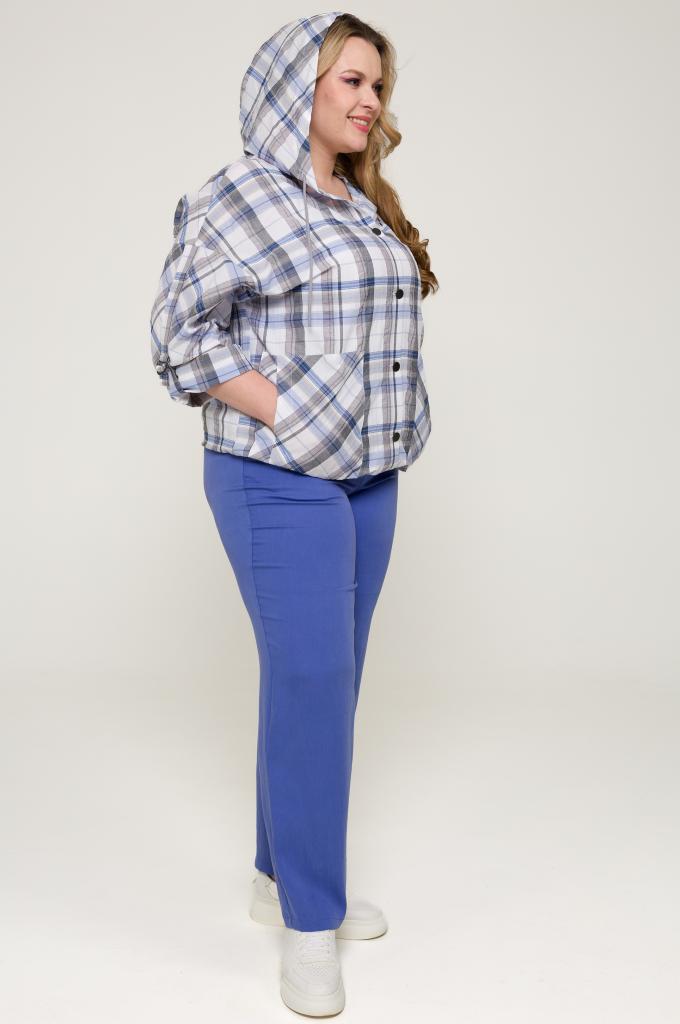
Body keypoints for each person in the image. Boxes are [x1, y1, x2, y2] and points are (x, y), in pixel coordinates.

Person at [149, 10, 437, 1017]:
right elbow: (178, 335)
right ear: (295, 86)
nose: (369, 100)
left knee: (323, 677)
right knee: (313, 676)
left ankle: (279, 874)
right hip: (274, 471)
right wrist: (289, 408)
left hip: (371, 474)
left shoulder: (361, 206)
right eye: (351, 80)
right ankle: (311, 923)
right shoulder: (240, 193)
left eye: (377, 85)